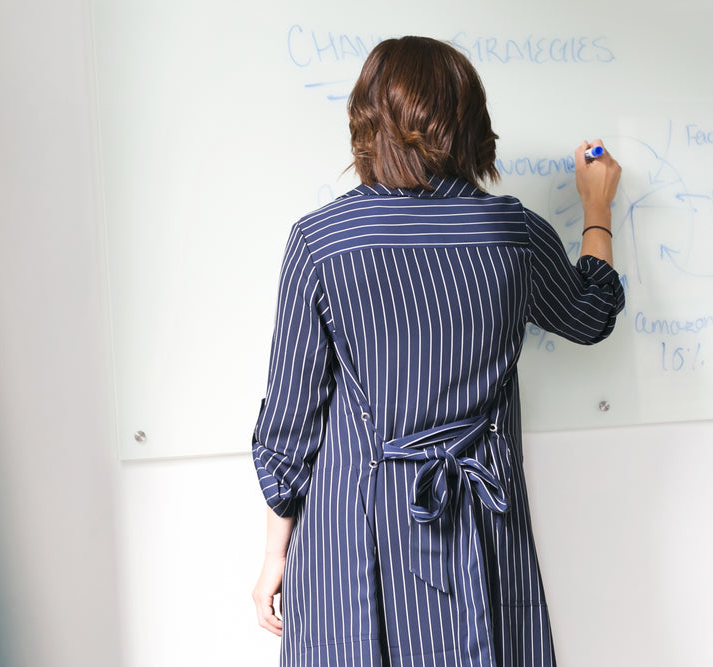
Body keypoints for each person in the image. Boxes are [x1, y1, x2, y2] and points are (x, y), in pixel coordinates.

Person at [250, 36, 624, 666]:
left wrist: (271, 559)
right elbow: (589, 314)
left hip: (352, 535)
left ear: (367, 125)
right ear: (470, 122)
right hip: (480, 523)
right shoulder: (513, 233)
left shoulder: (320, 241)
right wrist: (595, 209)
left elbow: (291, 426)